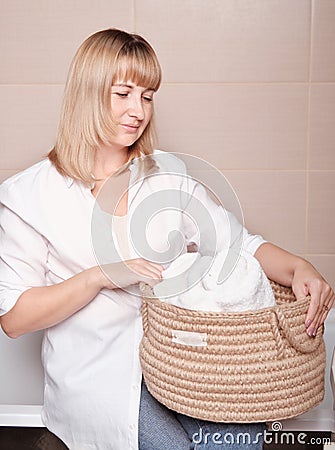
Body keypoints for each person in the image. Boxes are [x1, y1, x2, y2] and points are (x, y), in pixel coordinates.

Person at [0, 28, 333, 450]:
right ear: (87, 92)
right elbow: (13, 318)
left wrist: (299, 268)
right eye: (123, 94)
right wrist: (98, 276)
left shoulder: (166, 177)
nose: (137, 110)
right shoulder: (30, 195)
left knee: (236, 439)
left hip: (183, 362)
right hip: (100, 376)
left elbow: (238, 245)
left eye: (147, 96)